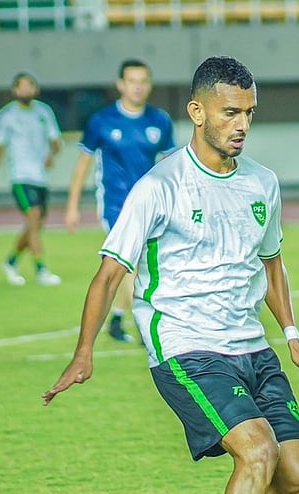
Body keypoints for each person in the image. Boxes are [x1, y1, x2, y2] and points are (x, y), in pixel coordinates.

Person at [43, 56, 299, 494]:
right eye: (230, 112)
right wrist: (83, 352)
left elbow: (272, 263)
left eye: (249, 112)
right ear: (197, 112)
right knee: (257, 452)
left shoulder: (262, 183)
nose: (241, 124)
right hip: (184, 345)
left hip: (252, 347)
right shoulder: (161, 186)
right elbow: (107, 274)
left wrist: (294, 337)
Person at [64, 59, 175, 343]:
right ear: (120, 85)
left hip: (151, 204)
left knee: (143, 264)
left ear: (149, 85)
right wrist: (72, 206)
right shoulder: (102, 121)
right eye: (132, 81)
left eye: (143, 81)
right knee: (132, 261)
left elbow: (171, 164)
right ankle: (142, 322)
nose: (137, 87)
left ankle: (117, 318)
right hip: (115, 203)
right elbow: (82, 165)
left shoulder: (159, 120)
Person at [0, 71, 64, 287]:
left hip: (41, 178)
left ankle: (10, 261)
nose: (26, 90)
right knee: (34, 218)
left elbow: (56, 141)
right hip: (20, 176)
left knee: (35, 225)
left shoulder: (44, 112)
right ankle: (41, 270)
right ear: (15, 90)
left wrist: (51, 155)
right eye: (22, 86)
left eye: (30, 86)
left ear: (35, 89)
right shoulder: (6, 116)